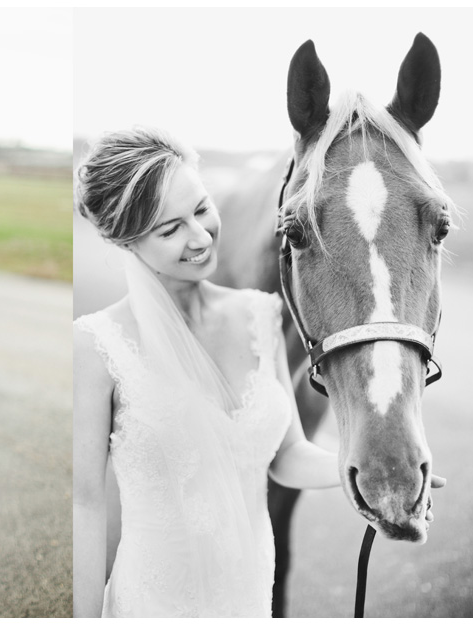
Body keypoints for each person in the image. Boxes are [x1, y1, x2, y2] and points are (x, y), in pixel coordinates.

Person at [73, 126, 347, 618]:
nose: (200, 238)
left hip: (247, 598)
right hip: (155, 603)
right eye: (170, 229)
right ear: (127, 241)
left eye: (201, 209)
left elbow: (287, 456)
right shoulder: (97, 345)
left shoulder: (260, 315)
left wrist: (367, 471)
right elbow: (87, 504)